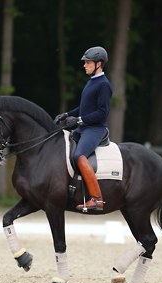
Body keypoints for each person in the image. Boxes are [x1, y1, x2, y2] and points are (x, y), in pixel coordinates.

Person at [55, 46, 112, 211]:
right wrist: (66, 115)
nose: (84, 65)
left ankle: (97, 198)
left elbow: (102, 113)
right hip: (84, 127)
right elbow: (84, 108)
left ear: (98, 64)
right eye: (85, 63)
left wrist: (79, 120)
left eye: (88, 62)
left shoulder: (104, 85)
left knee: (80, 155)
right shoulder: (92, 82)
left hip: (95, 129)